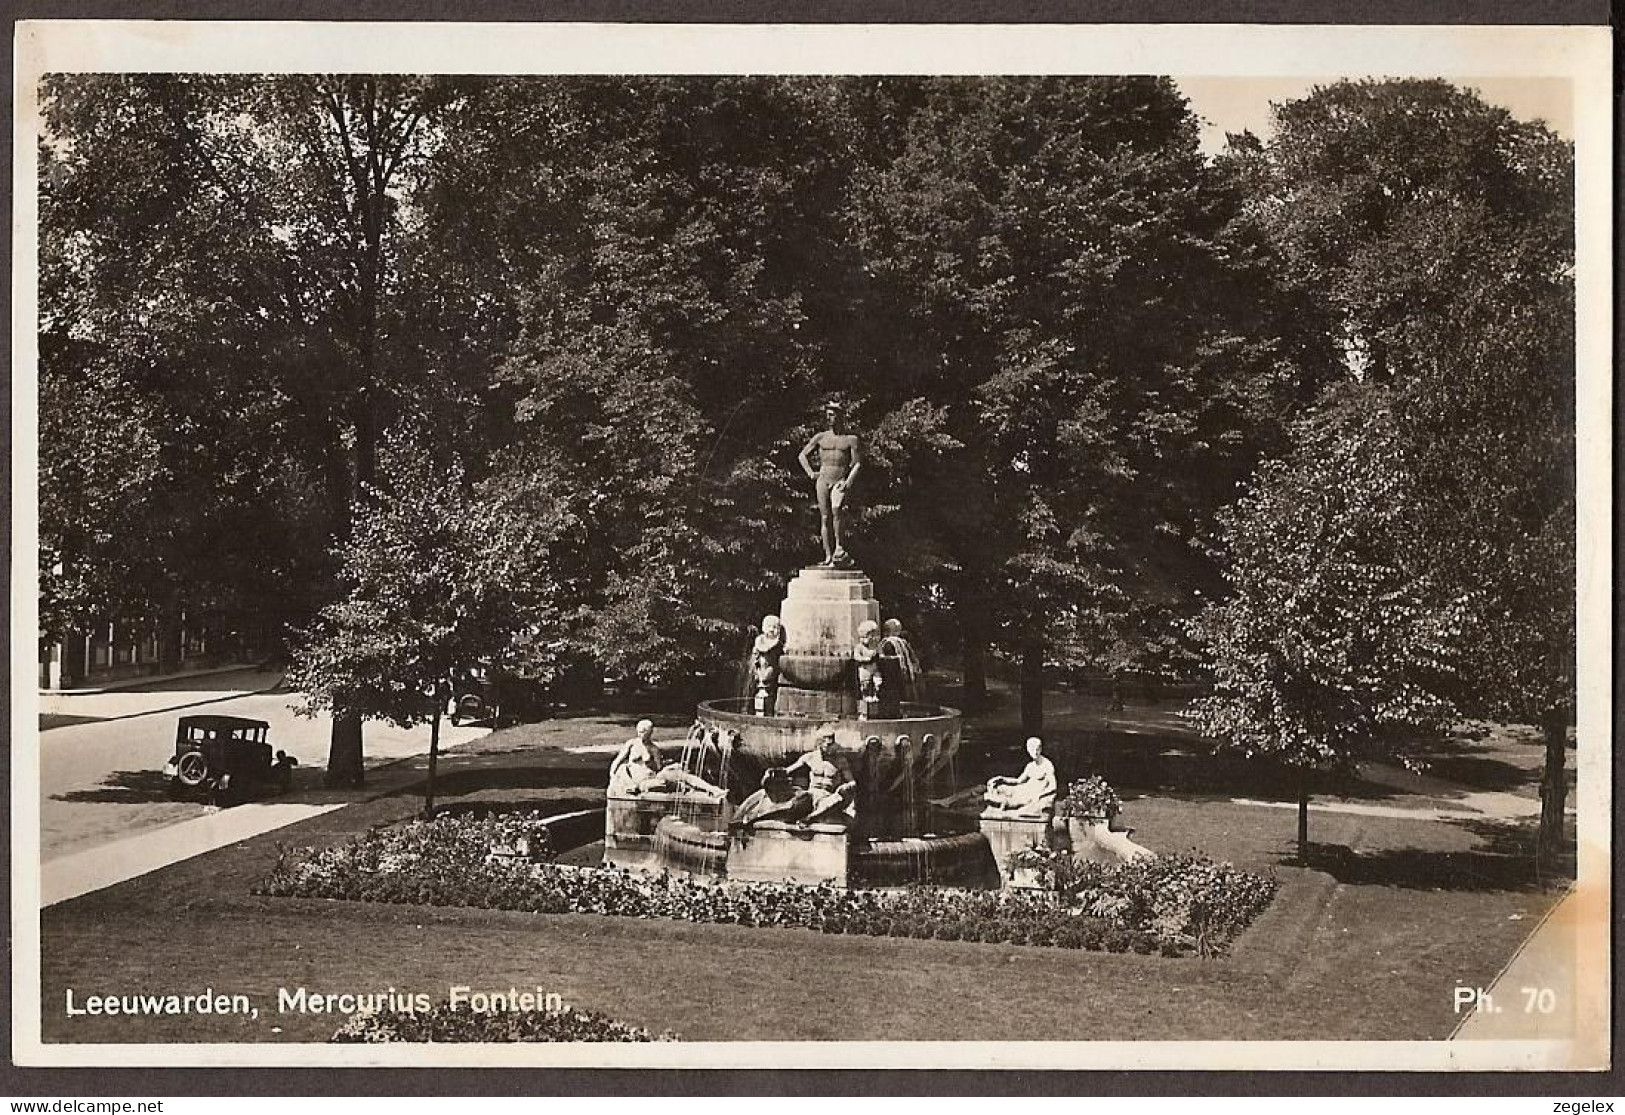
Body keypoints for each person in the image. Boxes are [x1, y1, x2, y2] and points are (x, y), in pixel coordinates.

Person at [798, 402, 862, 567]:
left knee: (836, 510)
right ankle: (828, 555)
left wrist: (848, 482)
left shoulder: (850, 440)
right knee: (825, 517)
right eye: (827, 415)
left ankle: (839, 548)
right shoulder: (821, 437)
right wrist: (810, 473)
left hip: (839, 480)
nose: (829, 418)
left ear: (840, 415)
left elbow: (857, 464)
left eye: (832, 414)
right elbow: (802, 455)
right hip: (823, 479)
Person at [607, 719, 726, 801]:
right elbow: (618, 760)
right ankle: (701, 790)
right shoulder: (632, 744)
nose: (641, 735)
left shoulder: (654, 749)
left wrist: (652, 763)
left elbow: (658, 768)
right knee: (673, 781)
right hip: (638, 781)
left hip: (652, 776)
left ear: (650, 733)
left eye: (645, 733)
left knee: (682, 775)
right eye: (640, 732)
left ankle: (712, 789)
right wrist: (612, 775)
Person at [782, 729, 858, 824]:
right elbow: (788, 771)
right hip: (811, 794)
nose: (829, 748)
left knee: (837, 800)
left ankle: (809, 818)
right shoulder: (810, 757)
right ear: (820, 744)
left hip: (828, 796)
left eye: (831, 745)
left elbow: (852, 781)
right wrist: (775, 773)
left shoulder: (840, 761)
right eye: (827, 745)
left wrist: (846, 786)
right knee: (799, 798)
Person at [983, 736, 1058, 817]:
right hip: (1023, 789)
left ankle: (992, 802)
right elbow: (1019, 780)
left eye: (1037, 749)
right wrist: (1002, 778)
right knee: (999, 787)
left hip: (1031, 794)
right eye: (1032, 750)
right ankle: (985, 799)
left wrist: (1040, 795)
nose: (1035, 752)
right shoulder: (1030, 766)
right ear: (1028, 750)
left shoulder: (1047, 765)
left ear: (1041, 749)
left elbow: (1053, 786)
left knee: (1011, 801)